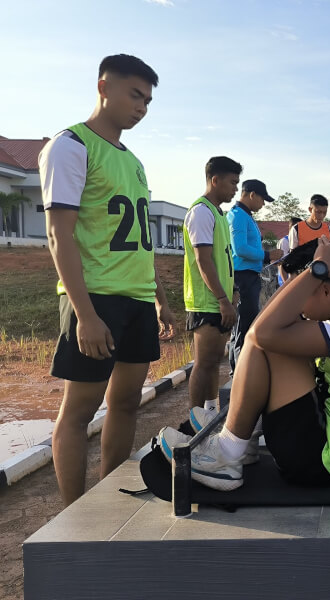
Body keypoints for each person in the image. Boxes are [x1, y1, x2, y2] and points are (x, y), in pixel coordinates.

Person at [159, 235, 330, 490]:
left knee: (270, 342)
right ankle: (244, 433)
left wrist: (316, 271)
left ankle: (227, 455)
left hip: (322, 459)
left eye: (303, 297)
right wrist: (313, 273)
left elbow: (261, 334)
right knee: (279, 335)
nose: (302, 311)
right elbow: (268, 323)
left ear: (325, 290)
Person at [38, 54, 176, 506]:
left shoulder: (133, 162)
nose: (142, 108)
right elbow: (59, 235)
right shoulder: (70, 146)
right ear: (104, 87)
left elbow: (139, 240)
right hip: (95, 298)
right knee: (79, 412)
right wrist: (85, 314)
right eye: (135, 95)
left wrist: (158, 298)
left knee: (126, 402)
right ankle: (73, 513)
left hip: (136, 299)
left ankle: (108, 500)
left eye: (148, 101)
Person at [183, 156, 241, 410]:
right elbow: (203, 260)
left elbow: (224, 258)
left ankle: (209, 412)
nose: (235, 189)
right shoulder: (201, 212)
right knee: (204, 363)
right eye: (232, 183)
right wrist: (222, 299)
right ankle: (194, 419)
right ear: (215, 180)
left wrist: (233, 291)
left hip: (221, 300)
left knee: (214, 362)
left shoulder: (219, 214)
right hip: (207, 301)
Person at [226, 179, 275, 373]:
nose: (263, 204)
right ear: (252, 194)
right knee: (243, 327)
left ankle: (238, 370)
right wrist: (267, 255)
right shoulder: (238, 216)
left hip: (250, 276)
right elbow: (240, 249)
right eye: (262, 199)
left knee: (243, 326)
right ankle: (240, 373)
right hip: (242, 277)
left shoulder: (246, 216)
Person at [278, 216, 303, 286]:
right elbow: (281, 264)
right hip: (286, 279)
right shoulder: (285, 241)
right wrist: (285, 283)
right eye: (297, 227)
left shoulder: (299, 241)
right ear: (292, 228)